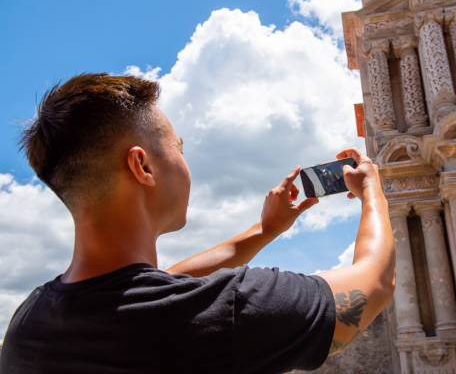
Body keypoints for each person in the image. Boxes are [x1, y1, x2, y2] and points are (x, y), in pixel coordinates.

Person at [0, 73, 395, 373]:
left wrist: (265, 231)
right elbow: (374, 282)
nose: (185, 163)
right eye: (178, 148)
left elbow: (165, 283)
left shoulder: (29, 324)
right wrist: (371, 192)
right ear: (143, 166)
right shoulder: (230, 311)